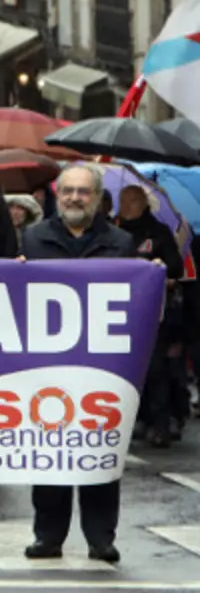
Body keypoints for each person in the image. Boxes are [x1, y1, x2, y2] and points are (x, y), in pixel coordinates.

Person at [19, 164, 137, 564]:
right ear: (56, 193)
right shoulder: (32, 239)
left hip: (102, 367)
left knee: (99, 451)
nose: (73, 198)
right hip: (48, 366)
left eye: (82, 192)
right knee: (50, 449)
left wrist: (151, 275)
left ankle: (101, 538)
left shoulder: (121, 242)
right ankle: (48, 536)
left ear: (98, 198)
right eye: (67, 190)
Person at [115, 184, 184, 448]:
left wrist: (158, 271)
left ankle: (161, 423)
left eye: (133, 201)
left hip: (151, 313)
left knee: (155, 370)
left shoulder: (157, 232)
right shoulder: (113, 231)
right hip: (119, 312)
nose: (127, 206)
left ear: (143, 204)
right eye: (124, 201)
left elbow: (175, 267)